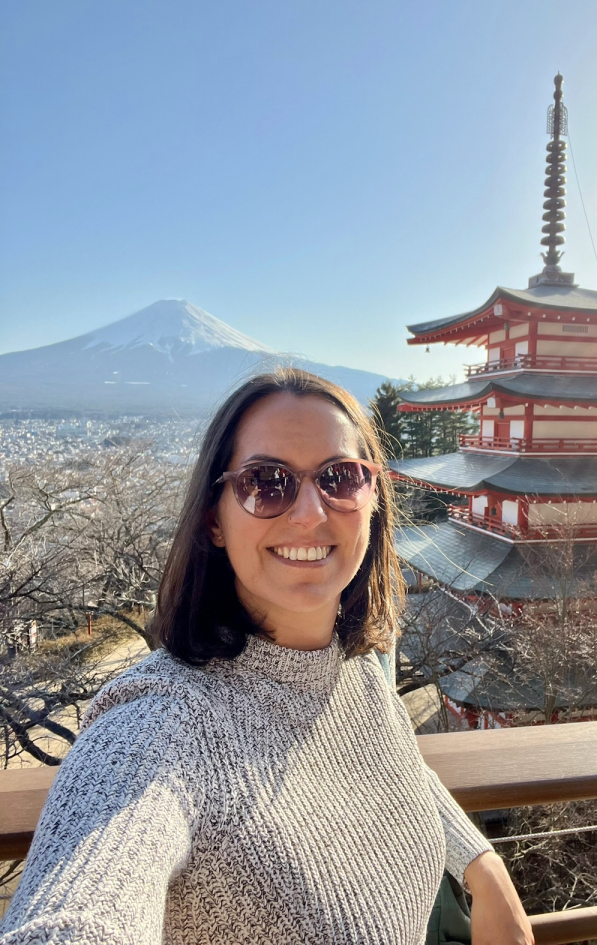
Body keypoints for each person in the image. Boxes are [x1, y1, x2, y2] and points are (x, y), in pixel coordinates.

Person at [0, 368, 534, 945]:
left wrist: (483, 864)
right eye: (265, 482)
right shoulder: (163, 726)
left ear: (373, 499)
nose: (309, 512)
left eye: (341, 478)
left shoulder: (357, 665)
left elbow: (393, 768)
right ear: (214, 518)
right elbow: (77, 912)